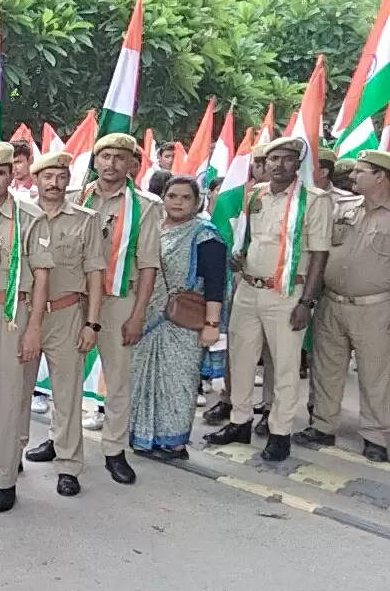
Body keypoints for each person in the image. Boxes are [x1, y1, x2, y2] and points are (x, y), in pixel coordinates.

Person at [205, 136, 333, 462]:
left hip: (287, 293)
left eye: (287, 159)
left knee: (286, 366)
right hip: (248, 288)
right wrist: (239, 256)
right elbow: (252, 240)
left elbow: (319, 256)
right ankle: (240, 421)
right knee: (242, 359)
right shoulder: (256, 195)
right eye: (272, 159)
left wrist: (306, 302)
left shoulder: (313, 201)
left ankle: (280, 433)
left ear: (297, 164)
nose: (278, 165)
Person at [0, 142, 52, 512]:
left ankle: (4, 478)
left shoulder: (28, 217)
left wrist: (34, 328)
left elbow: (44, 275)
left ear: (11, 174)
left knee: (7, 400)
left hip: (9, 315)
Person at [76, 133, 160, 484]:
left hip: (118, 299)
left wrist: (138, 314)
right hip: (75, 298)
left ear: (131, 164)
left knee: (118, 377)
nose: (111, 164)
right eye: (105, 156)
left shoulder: (146, 205)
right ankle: (60, 438)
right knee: (66, 375)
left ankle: (113, 449)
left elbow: (148, 266)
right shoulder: (77, 198)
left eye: (119, 158)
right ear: (95, 160)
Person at [22, 151, 104, 497]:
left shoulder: (85, 220)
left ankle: (69, 464)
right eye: (46, 177)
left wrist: (92, 324)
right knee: (17, 391)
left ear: (68, 180)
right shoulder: (21, 216)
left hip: (67, 313)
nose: (54, 184)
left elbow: (96, 274)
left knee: (67, 393)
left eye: (60, 177)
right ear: (35, 180)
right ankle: (10, 459)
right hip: (24, 315)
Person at [301, 149, 390, 463]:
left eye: (361, 171)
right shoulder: (344, 208)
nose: (352, 176)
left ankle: (376, 437)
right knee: (325, 368)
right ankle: (322, 425)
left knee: (376, 375)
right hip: (332, 302)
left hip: (376, 309)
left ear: (380, 176)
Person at [129, 177, 226, 459]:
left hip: (182, 321)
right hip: (148, 318)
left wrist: (212, 324)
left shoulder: (205, 235)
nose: (178, 202)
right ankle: (146, 436)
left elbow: (216, 283)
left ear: (197, 203)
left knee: (178, 384)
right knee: (144, 380)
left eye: (185, 198)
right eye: (172, 196)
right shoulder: (153, 229)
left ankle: (174, 443)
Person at [205, 142, 270, 425]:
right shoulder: (240, 195)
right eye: (262, 161)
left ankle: (270, 409)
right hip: (241, 283)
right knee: (238, 348)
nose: (268, 167)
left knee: (275, 355)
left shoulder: (299, 201)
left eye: (276, 161)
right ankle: (231, 402)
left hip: (278, 287)